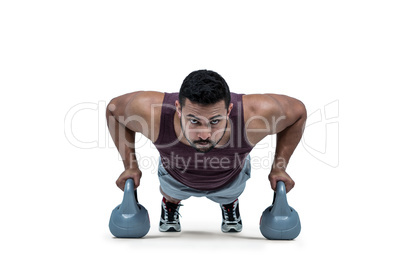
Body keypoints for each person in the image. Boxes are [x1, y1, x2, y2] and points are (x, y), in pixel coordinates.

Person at [106, 70, 307, 233]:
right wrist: (130, 166)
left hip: (230, 179)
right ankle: (170, 203)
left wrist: (279, 168)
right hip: (174, 177)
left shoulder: (253, 116)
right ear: (178, 109)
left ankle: (229, 204)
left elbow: (297, 113)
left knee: (228, 194)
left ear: (229, 111)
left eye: (215, 121)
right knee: (171, 191)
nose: (204, 134)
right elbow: (114, 110)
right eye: (194, 120)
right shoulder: (154, 114)